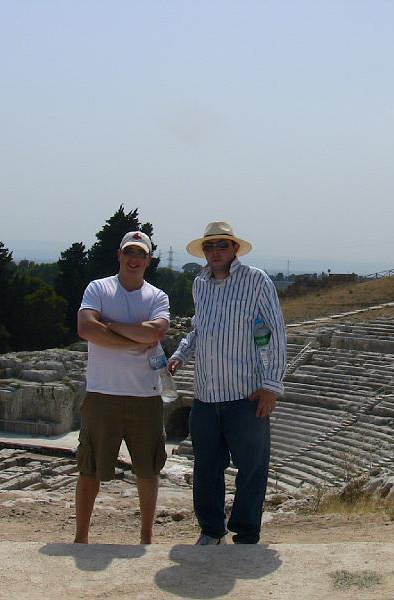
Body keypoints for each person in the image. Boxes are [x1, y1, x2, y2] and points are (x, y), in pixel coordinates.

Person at [168, 221, 287, 545]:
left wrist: (271, 386)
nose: (215, 251)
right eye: (210, 246)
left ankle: (246, 533)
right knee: (206, 468)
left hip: (245, 395)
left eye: (222, 245)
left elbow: (275, 332)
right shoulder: (200, 284)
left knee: (251, 468)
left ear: (234, 249)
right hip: (205, 395)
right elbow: (198, 328)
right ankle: (211, 529)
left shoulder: (256, 281)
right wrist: (180, 354)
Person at [73, 230, 170, 545]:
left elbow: (155, 332)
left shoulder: (157, 296)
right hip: (103, 394)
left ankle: (146, 537)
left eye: (140, 254)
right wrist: (132, 336)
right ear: (119, 255)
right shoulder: (99, 288)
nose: (134, 259)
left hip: (145, 396)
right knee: (89, 469)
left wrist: (109, 326)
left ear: (148, 260)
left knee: (147, 469)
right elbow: (86, 327)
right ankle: (81, 538)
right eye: (129, 252)